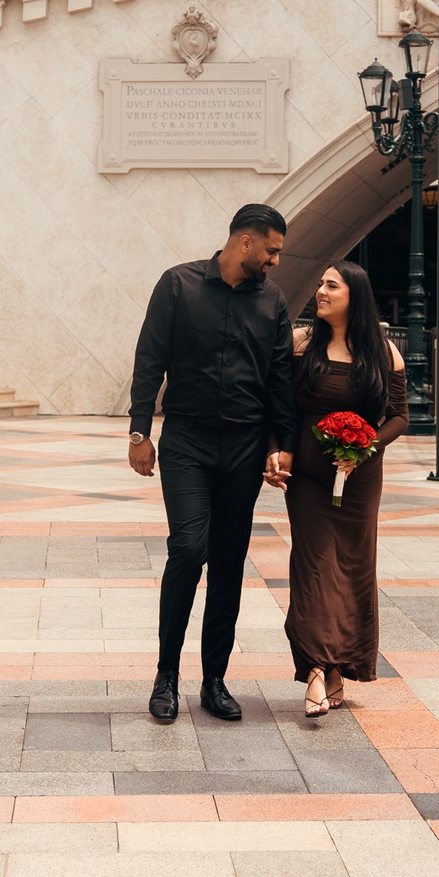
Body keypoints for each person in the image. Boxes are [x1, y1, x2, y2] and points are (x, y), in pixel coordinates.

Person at [127, 204, 297, 724]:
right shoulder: (177, 285)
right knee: (188, 547)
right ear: (245, 242)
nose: (274, 262)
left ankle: (215, 681)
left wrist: (281, 443)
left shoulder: (273, 301)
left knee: (228, 561)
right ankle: (165, 676)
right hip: (187, 442)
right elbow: (149, 359)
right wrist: (139, 431)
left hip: (244, 447)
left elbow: (280, 380)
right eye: (270, 251)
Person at [284, 262, 406, 716]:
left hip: (360, 480)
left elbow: (399, 416)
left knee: (353, 570)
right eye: (319, 284)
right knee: (314, 567)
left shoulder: (383, 352)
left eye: (330, 286)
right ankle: (315, 668)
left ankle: (339, 668)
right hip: (309, 480)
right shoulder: (301, 344)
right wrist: (279, 451)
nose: (320, 291)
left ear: (354, 295)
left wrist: (365, 446)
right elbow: (281, 406)